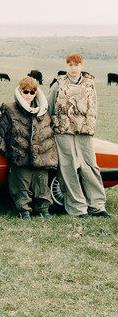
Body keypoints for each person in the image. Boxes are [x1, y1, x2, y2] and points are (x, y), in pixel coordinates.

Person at [48, 52, 112, 218]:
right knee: (68, 170)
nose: (73, 68)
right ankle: (78, 209)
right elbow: (49, 108)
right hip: (64, 133)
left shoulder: (90, 84)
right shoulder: (58, 84)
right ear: (66, 65)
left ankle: (97, 206)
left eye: (76, 64)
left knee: (90, 167)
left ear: (82, 66)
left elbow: (94, 106)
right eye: (70, 64)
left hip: (84, 132)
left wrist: (90, 126)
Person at [0, 76, 58, 220]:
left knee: (42, 185)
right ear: (19, 91)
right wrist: (12, 153)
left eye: (32, 92)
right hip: (20, 156)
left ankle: (43, 208)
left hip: (41, 156)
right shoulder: (9, 108)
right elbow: (1, 134)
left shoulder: (43, 110)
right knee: (20, 185)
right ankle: (24, 210)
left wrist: (47, 152)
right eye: (25, 92)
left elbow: (50, 132)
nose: (29, 95)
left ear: (36, 93)